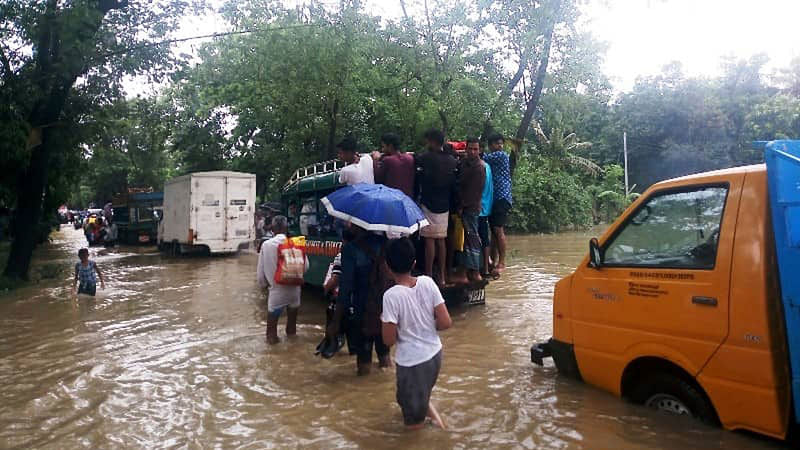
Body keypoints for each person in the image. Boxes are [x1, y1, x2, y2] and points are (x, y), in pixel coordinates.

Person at [381, 237, 452, 430]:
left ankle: (439, 431)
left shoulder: (391, 296)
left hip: (412, 363)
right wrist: (424, 325)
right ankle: (438, 423)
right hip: (435, 355)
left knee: (413, 426)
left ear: (387, 267)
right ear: (414, 263)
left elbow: (388, 340)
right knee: (411, 398)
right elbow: (445, 322)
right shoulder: (427, 283)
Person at [327, 225, 391, 375]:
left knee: (364, 366)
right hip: (385, 311)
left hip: (362, 313)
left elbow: (345, 288)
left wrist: (336, 321)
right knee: (385, 360)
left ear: (357, 225)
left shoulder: (350, 250)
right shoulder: (385, 243)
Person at [257, 215, 309, 344]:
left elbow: (260, 272)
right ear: (286, 228)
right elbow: (306, 266)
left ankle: (274, 357)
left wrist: (263, 285)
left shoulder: (267, 245)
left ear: (272, 228)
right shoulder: (295, 243)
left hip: (276, 291)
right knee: (291, 330)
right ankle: (293, 350)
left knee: (271, 334)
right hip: (294, 290)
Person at [415, 129, 457, 286]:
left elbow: (415, 160)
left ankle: (429, 274)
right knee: (441, 240)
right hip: (445, 205)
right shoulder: (452, 160)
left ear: (432, 141)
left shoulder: (425, 158)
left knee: (429, 240)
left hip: (428, 204)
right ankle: (443, 276)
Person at [452, 137, 486, 283]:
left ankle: (471, 272)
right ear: (466, 149)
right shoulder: (466, 162)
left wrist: (461, 206)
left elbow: (474, 192)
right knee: (466, 238)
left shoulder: (479, 167)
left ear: (479, 150)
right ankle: (470, 272)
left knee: (470, 239)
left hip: (470, 207)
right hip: (466, 206)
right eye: (470, 148)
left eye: (475, 149)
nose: (473, 151)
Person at [483, 133, 513, 274]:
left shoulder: (501, 156)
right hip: (494, 199)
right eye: (496, 143)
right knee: (494, 232)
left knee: (498, 230)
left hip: (502, 197)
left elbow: (481, 158)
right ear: (491, 145)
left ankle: (501, 262)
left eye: (501, 143)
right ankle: (492, 261)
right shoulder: (494, 158)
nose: (500, 146)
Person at [372, 132, 415, 198]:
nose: (382, 150)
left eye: (383, 147)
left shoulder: (388, 160)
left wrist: (375, 160)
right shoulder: (410, 158)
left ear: (390, 146)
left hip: (393, 199)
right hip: (408, 199)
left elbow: (378, 181)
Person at [478, 147, 494, 276]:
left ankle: (479, 267)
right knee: (485, 238)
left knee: (474, 238)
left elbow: (480, 187)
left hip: (478, 207)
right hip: (486, 207)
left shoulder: (480, 167)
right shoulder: (488, 167)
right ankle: (486, 267)